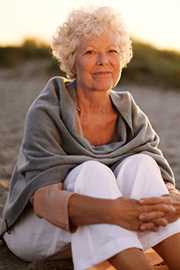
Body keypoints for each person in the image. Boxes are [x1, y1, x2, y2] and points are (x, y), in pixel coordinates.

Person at [1, 6, 180, 270]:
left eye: (112, 51)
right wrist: (114, 211)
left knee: (141, 165)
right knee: (91, 172)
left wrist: (172, 198)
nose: (103, 61)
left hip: (114, 223)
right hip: (39, 227)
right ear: (72, 60)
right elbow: (43, 201)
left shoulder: (129, 111)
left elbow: (160, 181)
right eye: (89, 52)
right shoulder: (48, 110)